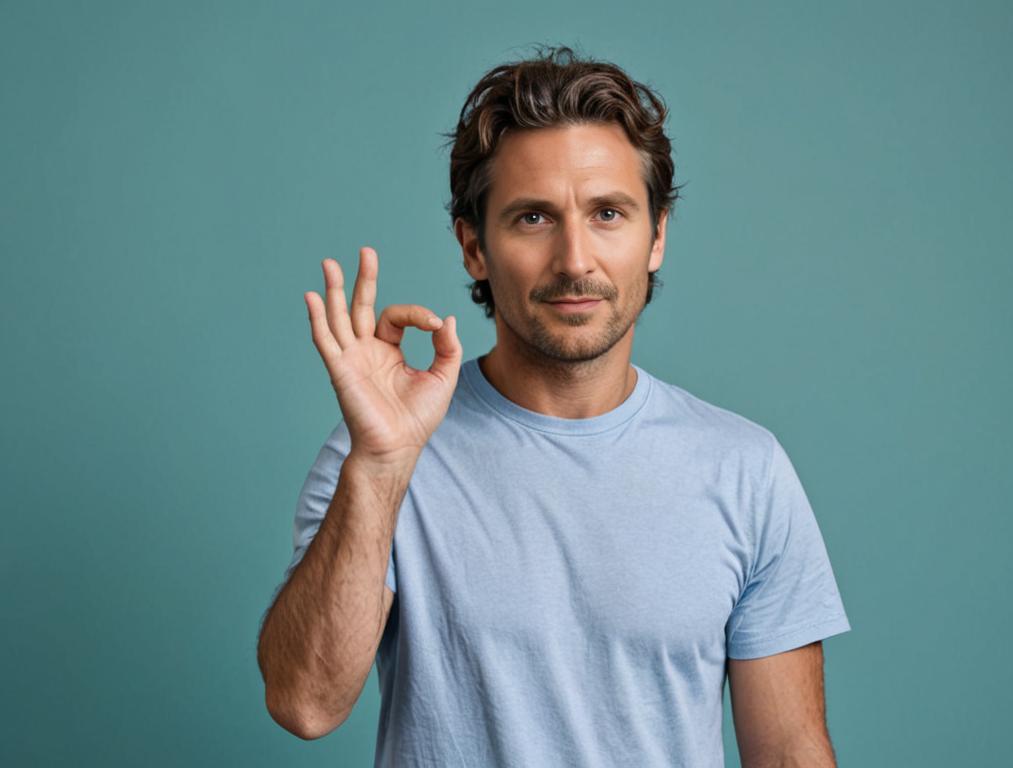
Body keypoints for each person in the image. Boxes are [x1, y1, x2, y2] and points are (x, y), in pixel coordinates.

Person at [256, 45, 852, 767]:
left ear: (656, 236)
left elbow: (789, 754)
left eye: (608, 212)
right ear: (474, 247)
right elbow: (304, 703)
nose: (575, 259)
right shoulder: (381, 456)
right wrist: (380, 468)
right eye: (534, 218)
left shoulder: (745, 470)